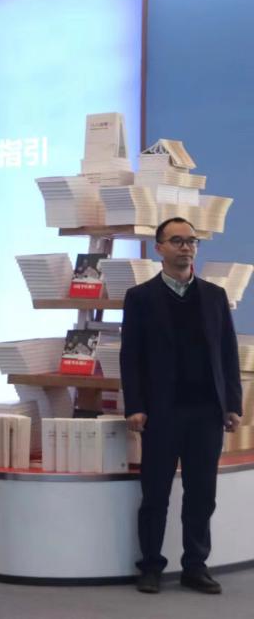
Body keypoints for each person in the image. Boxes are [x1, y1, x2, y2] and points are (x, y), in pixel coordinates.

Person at [121, 217, 243, 595]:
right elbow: (131, 357)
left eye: (191, 241)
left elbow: (228, 353)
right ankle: (150, 566)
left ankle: (195, 565)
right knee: (155, 494)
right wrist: (135, 405)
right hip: (161, 411)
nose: (186, 247)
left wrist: (233, 404)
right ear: (159, 248)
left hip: (206, 411)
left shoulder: (214, 296)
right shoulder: (140, 298)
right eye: (177, 241)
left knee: (202, 494)